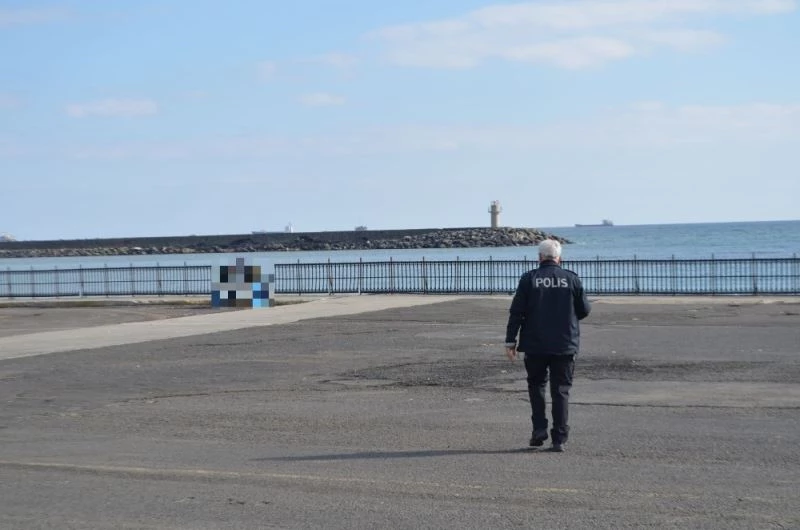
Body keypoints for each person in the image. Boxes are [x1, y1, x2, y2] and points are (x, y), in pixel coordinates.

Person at [504, 239, 591, 452]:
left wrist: (510, 341)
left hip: (535, 344)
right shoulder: (571, 279)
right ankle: (559, 438)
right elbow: (584, 310)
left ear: (539, 257)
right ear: (559, 258)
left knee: (536, 386)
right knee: (561, 391)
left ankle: (539, 430)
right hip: (564, 343)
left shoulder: (529, 279)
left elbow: (517, 312)